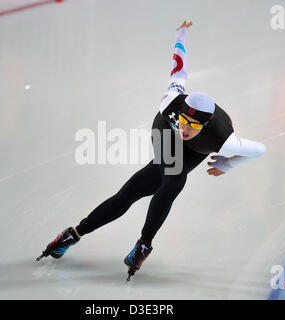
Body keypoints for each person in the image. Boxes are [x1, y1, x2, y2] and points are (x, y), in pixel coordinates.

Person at [36, 21, 266, 280]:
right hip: (164, 131)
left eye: (192, 125)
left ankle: (86, 237)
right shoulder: (172, 104)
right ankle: (88, 236)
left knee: (142, 187)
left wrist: (227, 164)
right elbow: (179, 70)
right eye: (184, 120)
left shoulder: (225, 140)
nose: (186, 129)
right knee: (170, 180)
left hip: (199, 148)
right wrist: (181, 35)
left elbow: (260, 149)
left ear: (207, 124)